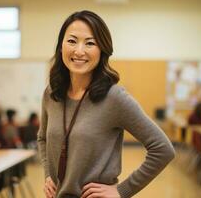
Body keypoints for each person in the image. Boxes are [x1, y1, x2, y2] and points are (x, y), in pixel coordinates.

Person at [37, 10, 175, 198]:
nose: (79, 51)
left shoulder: (114, 97)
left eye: (90, 43)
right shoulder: (52, 93)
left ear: (102, 49)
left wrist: (122, 190)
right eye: (71, 41)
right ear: (61, 46)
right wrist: (48, 175)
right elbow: (43, 138)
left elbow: (162, 149)